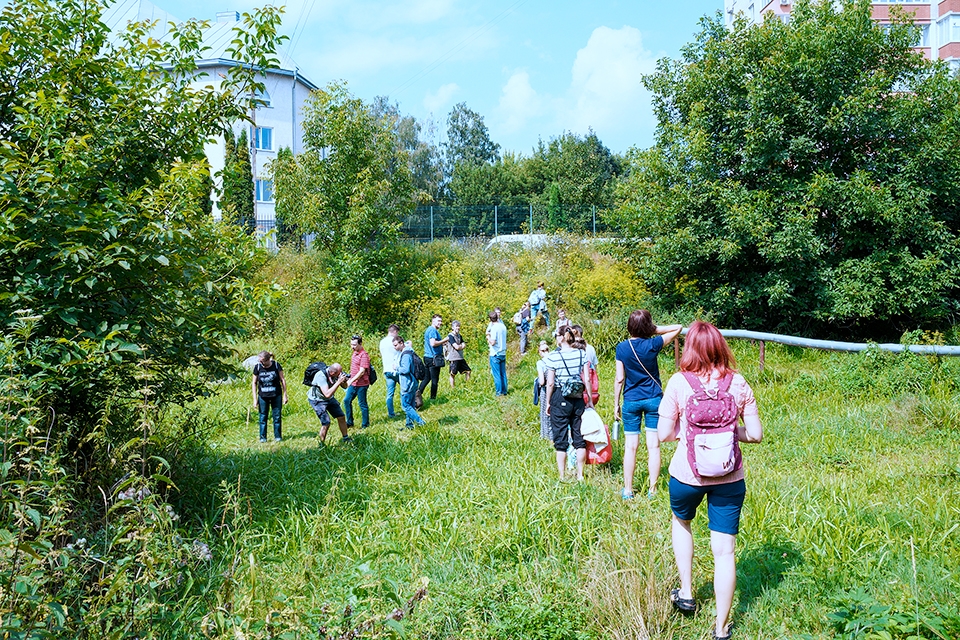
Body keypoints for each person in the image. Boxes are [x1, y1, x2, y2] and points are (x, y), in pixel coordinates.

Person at [657, 321, 763, 640]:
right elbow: (756, 435)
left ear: (689, 348)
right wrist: (729, 433)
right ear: (721, 347)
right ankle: (720, 628)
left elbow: (663, 434)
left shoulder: (678, 383)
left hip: (686, 476)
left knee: (682, 521)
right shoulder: (739, 383)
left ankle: (687, 592)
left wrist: (691, 434)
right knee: (725, 552)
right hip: (729, 479)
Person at [613, 311, 683, 500]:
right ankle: (652, 490)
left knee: (630, 446)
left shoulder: (622, 348)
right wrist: (654, 330)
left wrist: (615, 404)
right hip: (653, 399)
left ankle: (628, 490)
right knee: (654, 446)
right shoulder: (653, 344)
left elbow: (620, 379)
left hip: (631, 400)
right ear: (648, 326)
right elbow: (678, 328)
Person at [544, 326, 592, 481]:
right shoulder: (581, 354)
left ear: (561, 338)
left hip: (560, 397)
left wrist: (548, 402)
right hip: (578, 398)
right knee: (579, 438)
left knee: (561, 439)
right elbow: (587, 379)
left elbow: (550, 383)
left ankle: (562, 476)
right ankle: (580, 475)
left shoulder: (553, 357)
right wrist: (589, 399)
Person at [387, 334, 426, 429]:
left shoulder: (405, 355)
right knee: (411, 405)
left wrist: (396, 368)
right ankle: (409, 425)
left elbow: (405, 370)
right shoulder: (409, 351)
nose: (395, 348)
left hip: (407, 383)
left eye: (396, 345)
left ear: (401, 343)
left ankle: (421, 423)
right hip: (413, 382)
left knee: (406, 406)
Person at [308, 362, 351, 445]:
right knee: (326, 422)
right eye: (339, 373)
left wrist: (343, 381)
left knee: (341, 416)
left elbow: (345, 387)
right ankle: (321, 444)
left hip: (330, 399)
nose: (340, 374)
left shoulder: (335, 374)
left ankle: (345, 438)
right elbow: (327, 394)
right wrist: (338, 382)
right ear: (332, 373)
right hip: (317, 400)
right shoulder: (321, 376)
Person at [251, 351, 288, 443]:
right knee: (263, 417)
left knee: (277, 416)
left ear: (268, 360)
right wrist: (255, 399)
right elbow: (254, 383)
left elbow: (282, 380)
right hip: (263, 396)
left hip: (276, 395)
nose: (260, 363)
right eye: (259, 361)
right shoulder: (258, 367)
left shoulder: (276, 365)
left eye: (262, 361)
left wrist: (285, 395)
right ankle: (263, 437)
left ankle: (278, 436)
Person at [417, 314, 448, 408]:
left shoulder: (429, 330)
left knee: (427, 378)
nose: (440, 323)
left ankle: (417, 394)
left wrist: (442, 344)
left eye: (441, 321)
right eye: (438, 321)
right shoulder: (432, 330)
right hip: (433, 358)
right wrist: (444, 340)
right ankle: (433, 399)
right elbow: (433, 343)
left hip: (428, 357)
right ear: (433, 321)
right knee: (435, 380)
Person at [343, 335, 371, 430]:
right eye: (351, 344)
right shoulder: (354, 353)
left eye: (354, 345)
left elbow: (362, 371)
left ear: (360, 344)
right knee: (346, 400)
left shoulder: (364, 355)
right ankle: (349, 422)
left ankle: (365, 424)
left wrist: (351, 380)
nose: (352, 347)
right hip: (353, 383)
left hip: (362, 384)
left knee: (362, 403)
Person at [379, 324, 400, 419]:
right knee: (406, 388)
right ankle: (409, 407)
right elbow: (400, 350)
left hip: (386, 369)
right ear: (395, 331)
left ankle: (391, 413)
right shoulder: (393, 341)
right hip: (396, 369)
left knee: (390, 394)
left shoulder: (382, 342)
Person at [486, 310, 508, 396]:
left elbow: (493, 342)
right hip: (503, 352)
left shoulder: (494, 328)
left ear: (490, 319)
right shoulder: (503, 326)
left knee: (497, 374)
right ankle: (504, 391)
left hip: (495, 353)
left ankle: (499, 392)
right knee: (503, 373)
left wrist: (488, 337)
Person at [446, 320, 471, 387]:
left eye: (459, 326)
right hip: (453, 358)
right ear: (452, 327)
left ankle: (468, 386)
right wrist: (461, 346)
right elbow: (456, 346)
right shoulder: (450, 336)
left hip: (460, 357)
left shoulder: (459, 336)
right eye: (456, 326)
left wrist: (460, 346)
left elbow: (464, 344)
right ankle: (452, 388)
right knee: (453, 374)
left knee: (468, 371)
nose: (458, 328)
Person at [535, 341, 551, 440]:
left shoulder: (540, 363)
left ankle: (546, 435)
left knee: (545, 413)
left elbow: (541, 381)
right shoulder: (554, 359)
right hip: (556, 389)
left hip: (545, 390)